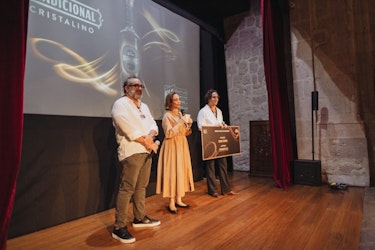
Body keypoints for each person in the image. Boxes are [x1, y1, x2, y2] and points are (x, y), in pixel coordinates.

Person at [111, 76, 160, 244]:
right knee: (127, 188)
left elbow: (153, 125)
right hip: (132, 151)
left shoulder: (144, 106)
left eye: (141, 86)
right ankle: (119, 227)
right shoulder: (120, 104)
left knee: (141, 186)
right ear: (126, 88)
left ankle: (139, 218)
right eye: (135, 85)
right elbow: (126, 128)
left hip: (147, 151)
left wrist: (151, 137)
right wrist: (147, 141)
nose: (139, 88)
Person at [156, 92, 195, 214]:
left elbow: (185, 133)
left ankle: (179, 199)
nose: (179, 102)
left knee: (181, 171)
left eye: (179, 99)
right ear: (170, 102)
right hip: (171, 146)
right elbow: (168, 133)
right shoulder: (167, 116)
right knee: (172, 173)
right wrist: (181, 122)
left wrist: (188, 126)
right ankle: (171, 202)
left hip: (181, 145)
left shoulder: (180, 114)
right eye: (176, 100)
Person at [197, 89, 238, 198]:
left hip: (219, 142)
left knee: (223, 165)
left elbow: (220, 123)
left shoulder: (219, 111)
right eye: (214, 97)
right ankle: (212, 190)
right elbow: (200, 126)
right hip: (209, 142)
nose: (216, 99)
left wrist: (223, 125)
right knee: (210, 166)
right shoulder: (203, 111)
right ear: (209, 98)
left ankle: (226, 189)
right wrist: (215, 127)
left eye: (217, 97)